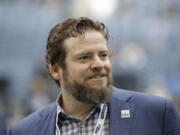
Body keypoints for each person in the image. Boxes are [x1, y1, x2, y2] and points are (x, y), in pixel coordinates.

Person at [8, 17, 179, 135]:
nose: (99, 64)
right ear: (56, 70)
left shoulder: (156, 114)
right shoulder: (24, 131)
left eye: (103, 55)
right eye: (84, 57)